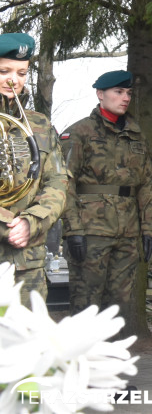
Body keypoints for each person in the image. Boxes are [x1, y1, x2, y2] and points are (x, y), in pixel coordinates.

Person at [60, 70, 152, 318]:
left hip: (127, 232)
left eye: (128, 93)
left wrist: (148, 227)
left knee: (117, 308)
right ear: (100, 94)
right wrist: (73, 230)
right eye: (119, 92)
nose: (125, 98)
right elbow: (64, 183)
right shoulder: (79, 132)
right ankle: (80, 357)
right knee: (85, 304)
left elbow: (146, 183)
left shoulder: (136, 135)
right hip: (90, 230)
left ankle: (111, 356)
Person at [0, 32, 69, 303]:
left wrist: (33, 221)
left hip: (28, 265)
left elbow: (58, 181)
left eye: (21, 72)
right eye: (4, 70)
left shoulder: (39, 124)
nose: (13, 79)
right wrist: (9, 226)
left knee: (28, 342)